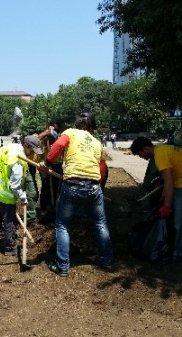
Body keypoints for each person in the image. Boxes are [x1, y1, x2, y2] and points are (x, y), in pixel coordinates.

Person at [44, 112, 113, 277]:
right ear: (91, 127)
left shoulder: (70, 132)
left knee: (62, 225)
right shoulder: (97, 142)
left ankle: (63, 267)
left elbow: (58, 147)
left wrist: (48, 162)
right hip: (94, 186)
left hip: (73, 185)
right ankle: (107, 260)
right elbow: (102, 169)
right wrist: (99, 189)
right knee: (100, 224)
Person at [130, 137, 182, 261]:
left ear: (145, 148)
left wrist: (166, 205)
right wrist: (164, 196)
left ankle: (179, 253)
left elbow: (168, 182)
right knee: (175, 217)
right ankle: (174, 243)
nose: (141, 157)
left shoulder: (160, 155)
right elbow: (168, 179)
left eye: (140, 154)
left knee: (180, 220)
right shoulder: (161, 150)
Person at [0, 135, 43, 255]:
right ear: (26, 146)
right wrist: (23, 198)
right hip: (5, 194)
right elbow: (15, 186)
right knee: (9, 221)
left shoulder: (11, 147)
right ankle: (9, 247)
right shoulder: (19, 161)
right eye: (32, 150)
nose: (33, 153)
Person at [37, 121, 63, 222]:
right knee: (45, 188)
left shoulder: (58, 137)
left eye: (55, 129)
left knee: (56, 189)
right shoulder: (45, 138)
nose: (53, 130)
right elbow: (37, 139)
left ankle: (55, 209)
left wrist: (51, 132)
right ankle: (45, 210)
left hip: (56, 166)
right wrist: (47, 132)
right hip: (46, 166)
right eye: (52, 128)